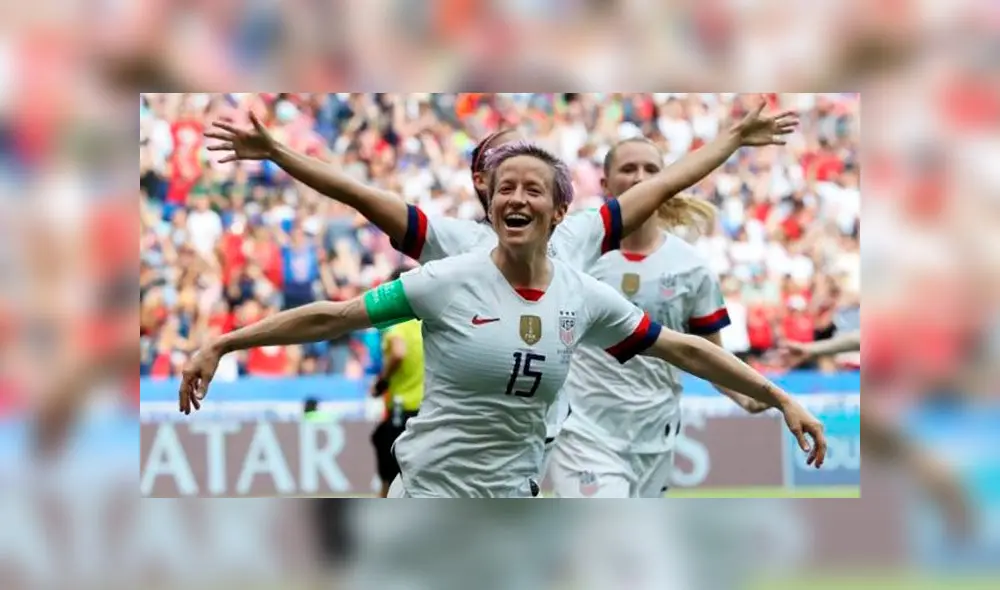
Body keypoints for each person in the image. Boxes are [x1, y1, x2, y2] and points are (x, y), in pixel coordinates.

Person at [180, 141, 826, 498]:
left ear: (559, 212)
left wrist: (775, 395)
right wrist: (225, 341)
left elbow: (681, 348)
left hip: (513, 498)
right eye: (503, 187)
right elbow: (333, 317)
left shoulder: (583, 291)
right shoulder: (446, 275)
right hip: (428, 492)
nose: (515, 197)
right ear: (487, 202)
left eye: (532, 188)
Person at [546, 137, 771, 498]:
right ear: (605, 184)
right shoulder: (573, 255)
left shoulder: (691, 267)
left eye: (651, 169)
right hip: (583, 433)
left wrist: (744, 395)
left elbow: (707, 354)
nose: (641, 177)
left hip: (655, 436)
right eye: (628, 169)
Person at [778, 332, 971, 537]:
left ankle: (961, 527)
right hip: (884, 415)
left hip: (900, 408)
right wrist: (813, 350)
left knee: (923, 467)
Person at [370, 268, 425, 497]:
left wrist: (382, 380)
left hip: (401, 411)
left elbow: (399, 352)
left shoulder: (396, 324)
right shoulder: (426, 324)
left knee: (391, 479)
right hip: (427, 410)